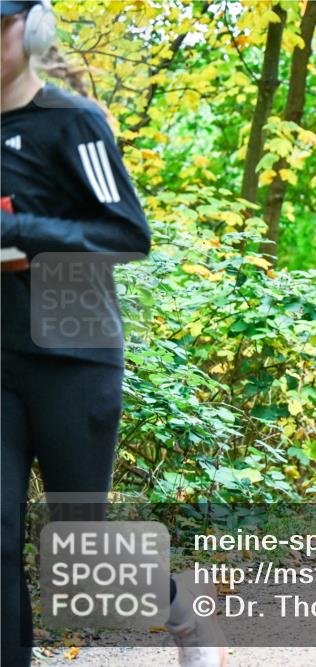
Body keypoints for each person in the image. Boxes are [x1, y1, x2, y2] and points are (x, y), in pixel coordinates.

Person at [0, 2, 225, 665]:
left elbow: (126, 234)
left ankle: (184, 610)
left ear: (30, 31)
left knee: (78, 545)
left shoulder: (74, 122)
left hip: (74, 352)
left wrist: (21, 232)